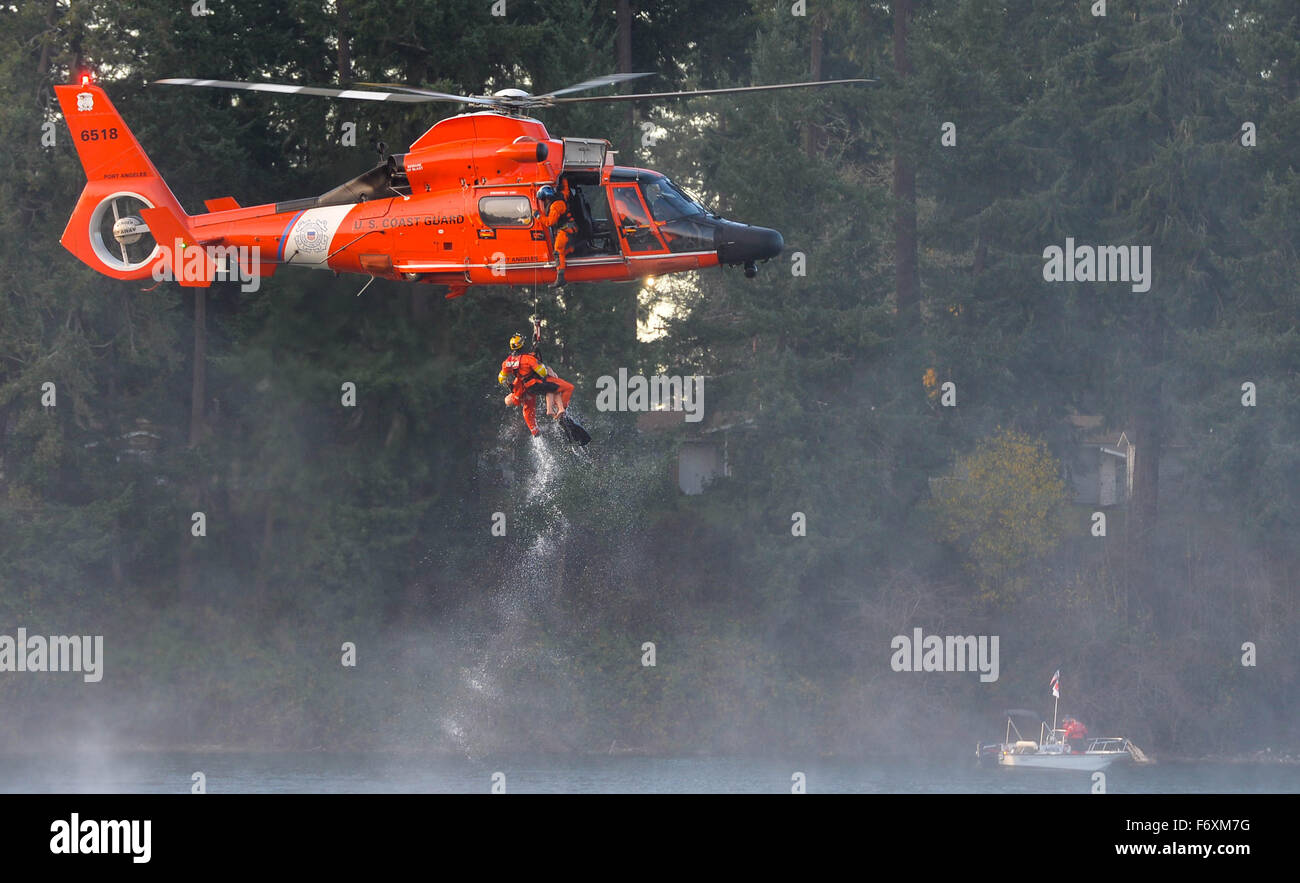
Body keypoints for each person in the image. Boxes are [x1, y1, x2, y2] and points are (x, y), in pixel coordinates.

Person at [498, 331, 575, 437]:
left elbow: (501, 378)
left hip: (525, 387)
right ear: (522, 345)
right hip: (535, 383)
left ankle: (534, 430)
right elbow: (542, 372)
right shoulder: (528, 359)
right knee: (567, 387)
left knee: (528, 405)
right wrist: (543, 367)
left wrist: (510, 385)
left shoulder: (507, 362)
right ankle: (562, 411)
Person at [538, 179, 578, 287]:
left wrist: (538, 216)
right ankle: (573, 249)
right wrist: (563, 178)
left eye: (543, 200)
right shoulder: (561, 196)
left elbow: (550, 222)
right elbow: (566, 190)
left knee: (558, 250)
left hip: (566, 230)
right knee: (564, 250)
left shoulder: (555, 206)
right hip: (569, 228)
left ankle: (560, 278)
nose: (544, 202)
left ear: (546, 198)